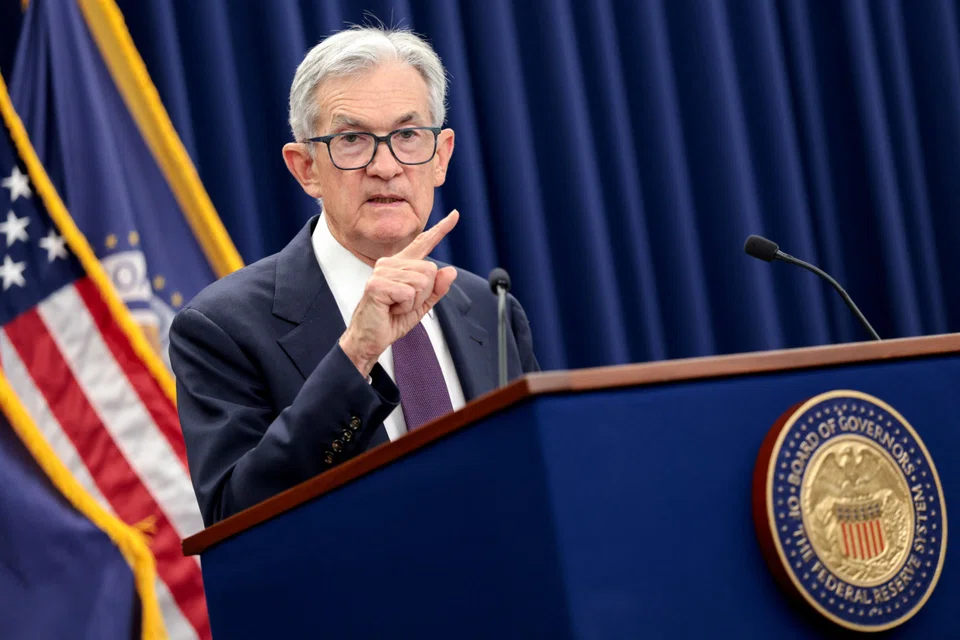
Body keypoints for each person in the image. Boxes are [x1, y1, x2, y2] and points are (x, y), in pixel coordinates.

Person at [169, 26, 540, 527]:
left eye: (408, 136)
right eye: (352, 140)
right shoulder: (222, 327)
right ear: (306, 169)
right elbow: (238, 517)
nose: (385, 166)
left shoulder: (490, 307)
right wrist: (355, 356)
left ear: (441, 156)